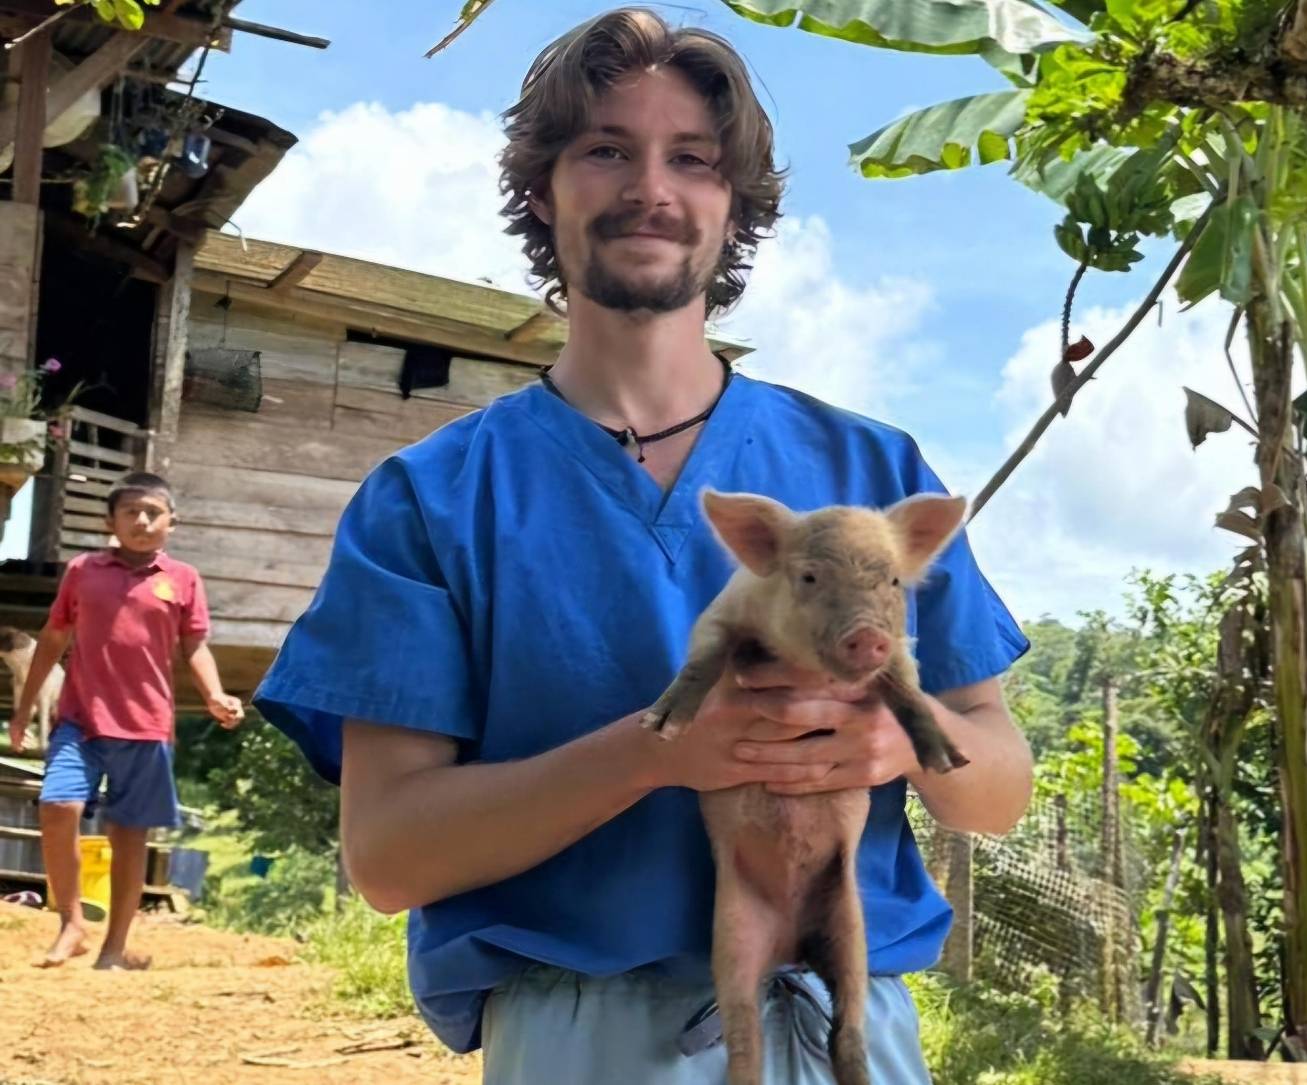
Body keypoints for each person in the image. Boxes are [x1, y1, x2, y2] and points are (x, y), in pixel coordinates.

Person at [253, 8, 1034, 1083]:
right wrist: (657, 752)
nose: (651, 190)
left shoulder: (871, 472)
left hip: (843, 1028)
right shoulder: (432, 500)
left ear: (734, 203)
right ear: (542, 189)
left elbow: (996, 786)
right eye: (606, 150)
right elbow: (389, 854)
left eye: (693, 160)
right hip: (582, 1038)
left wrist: (900, 741)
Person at [8, 471, 245, 969]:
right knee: (57, 806)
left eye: (153, 512)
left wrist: (216, 694)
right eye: (130, 512)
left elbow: (194, 645)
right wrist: (25, 709)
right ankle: (72, 922)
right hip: (80, 720)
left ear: (171, 522)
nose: (141, 520)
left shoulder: (182, 580)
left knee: (129, 832)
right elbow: (53, 639)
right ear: (109, 521)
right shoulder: (83, 571)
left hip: (146, 725)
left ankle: (114, 947)